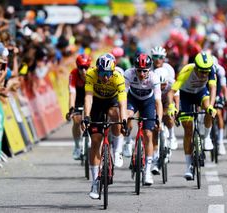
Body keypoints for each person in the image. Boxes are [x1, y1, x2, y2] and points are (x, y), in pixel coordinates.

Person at [81, 53, 127, 199]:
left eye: (108, 74)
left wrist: (124, 119)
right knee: (95, 141)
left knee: (115, 114)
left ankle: (117, 150)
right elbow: (88, 96)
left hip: (112, 100)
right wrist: (87, 116)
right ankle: (95, 181)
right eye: (102, 73)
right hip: (97, 102)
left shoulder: (118, 77)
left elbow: (122, 101)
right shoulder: (91, 74)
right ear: (97, 70)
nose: (105, 77)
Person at [167, 52, 217, 180]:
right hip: (186, 96)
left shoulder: (211, 69)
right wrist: (172, 106)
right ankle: (188, 166)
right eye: (202, 72)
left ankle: (206, 137)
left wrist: (211, 106)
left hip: (200, 92)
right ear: (196, 68)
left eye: (207, 72)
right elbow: (171, 92)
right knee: (188, 130)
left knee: (209, 110)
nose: (204, 75)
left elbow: (212, 88)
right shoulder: (187, 71)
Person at [124, 53, 163, 185]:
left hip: (148, 102)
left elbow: (158, 102)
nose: (141, 74)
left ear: (149, 69)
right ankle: (127, 141)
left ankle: (147, 172)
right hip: (133, 100)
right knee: (127, 114)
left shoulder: (154, 77)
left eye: (144, 71)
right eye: (139, 71)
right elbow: (122, 96)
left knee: (148, 134)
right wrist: (123, 117)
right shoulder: (129, 74)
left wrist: (159, 119)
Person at [66, 54, 92, 160]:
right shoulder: (73, 74)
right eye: (81, 67)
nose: (84, 71)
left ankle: (91, 138)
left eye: (86, 67)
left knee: (91, 117)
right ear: (77, 67)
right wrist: (71, 109)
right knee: (76, 120)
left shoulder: (93, 73)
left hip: (90, 96)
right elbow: (72, 93)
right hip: (78, 97)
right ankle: (77, 146)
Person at [212, 56, 227, 155]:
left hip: (217, 90)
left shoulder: (220, 70)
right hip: (206, 89)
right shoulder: (203, 70)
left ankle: (220, 141)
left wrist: (226, 98)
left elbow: (224, 87)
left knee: (218, 113)